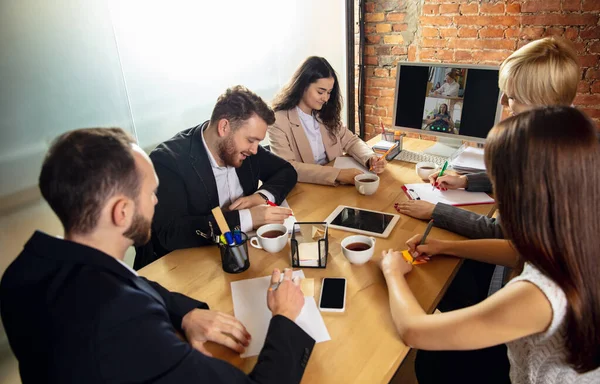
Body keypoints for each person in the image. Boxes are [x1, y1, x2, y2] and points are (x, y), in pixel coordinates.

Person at [0, 127, 315, 384]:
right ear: (121, 212)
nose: (157, 201)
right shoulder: (125, 324)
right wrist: (285, 316)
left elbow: (130, 281)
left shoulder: (25, 272)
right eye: (152, 193)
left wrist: (186, 313)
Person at [381, 107, 600, 384]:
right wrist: (445, 246)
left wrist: (392, 272)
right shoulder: (579, 234)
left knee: (433, 363)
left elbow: (414, 330)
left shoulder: (538, 295)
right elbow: (516, 253)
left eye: (499, 185)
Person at [395, 36, 581, 304]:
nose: (504, 102)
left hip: (531, 289)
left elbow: (504, 236)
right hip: (532, 270)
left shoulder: (552, 161)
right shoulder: (566, 131)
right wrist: (467, 182)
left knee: (428, 283)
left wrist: (435, 212)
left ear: (544, 102)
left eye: (513, 96)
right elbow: (516, 183)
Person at [137, 86, 298, 268]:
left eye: (258, 142)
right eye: (251, 140)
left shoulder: (247, 149)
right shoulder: (168, 161)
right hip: (191, 268)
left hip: (247, 256)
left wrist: (260, 197)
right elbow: (170, 233)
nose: (255, 150)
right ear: (224, 127)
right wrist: (248, 218)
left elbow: (287, 171)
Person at [268, 56, 386, 186]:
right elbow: (288, 167)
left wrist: (370, 158)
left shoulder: (324, 113)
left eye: (329, 92)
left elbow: (351, 140)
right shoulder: (278, 120)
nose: (325, 98)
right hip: (306, 188)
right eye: (320, 92)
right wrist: (338, 174)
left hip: (335, 186)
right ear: (302, 86)